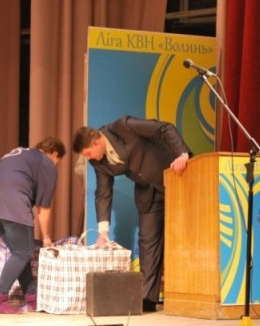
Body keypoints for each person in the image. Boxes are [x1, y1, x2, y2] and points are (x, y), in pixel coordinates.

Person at [72, 116, 191, 312]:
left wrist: (182, 154)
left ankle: (189, 293)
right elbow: (103, 192)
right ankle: (148, 298)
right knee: (148, 242)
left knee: (185, 236)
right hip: (148, 192)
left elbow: (164, 128)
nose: (88, 158)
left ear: (97, 142)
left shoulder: (123, 127)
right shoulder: (98, 162)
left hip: (175, 176)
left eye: (88, 153)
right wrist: (103, 231)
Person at [0, 137, 66, 313]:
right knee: (23, 252)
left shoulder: (21, 155)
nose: (56, 165)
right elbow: (43, 207)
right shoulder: (46, 163)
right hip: (11, 200)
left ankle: (32, 297)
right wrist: (46, 237)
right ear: (54, 154)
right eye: (58, 161)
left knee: (20, 252)